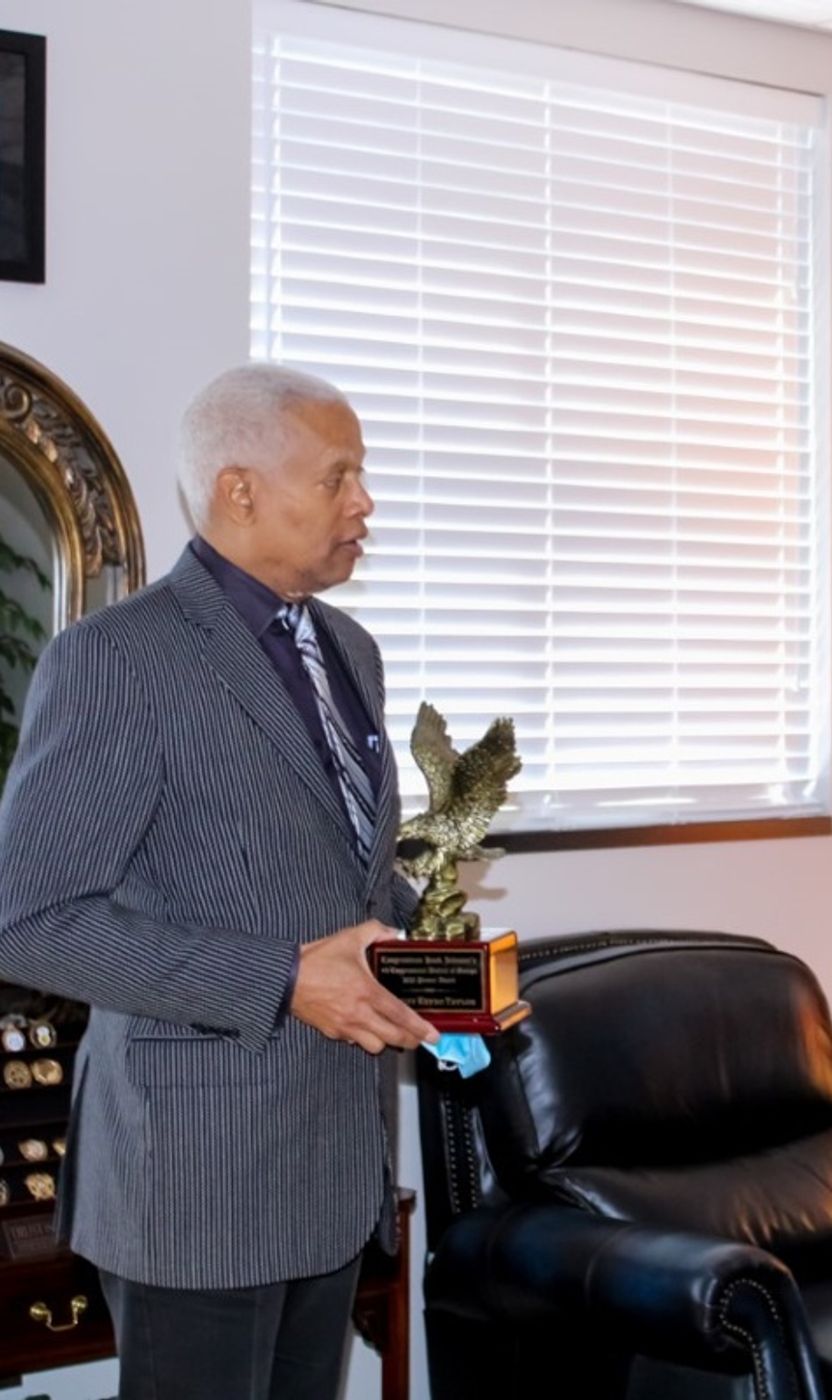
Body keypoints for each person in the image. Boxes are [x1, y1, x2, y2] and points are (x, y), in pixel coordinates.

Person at [0, 365, 437, 1400]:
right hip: (192, 1176)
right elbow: (26, 919)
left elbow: (339, 869)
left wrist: (434, 961)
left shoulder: (348, 650)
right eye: (339, 477)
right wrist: (282, 977)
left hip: (330, 1166)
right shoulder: (118, 659)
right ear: (239, 489)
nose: (363, 502)